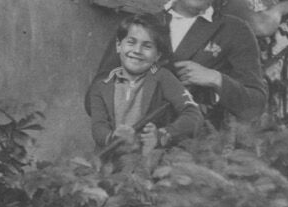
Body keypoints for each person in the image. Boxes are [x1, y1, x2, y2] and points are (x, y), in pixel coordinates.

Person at [88, 0, 266, 126]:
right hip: (136, 146)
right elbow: (94, 97)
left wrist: (216, 79)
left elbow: (255, 105)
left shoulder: (234, 31)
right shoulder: (138, 26)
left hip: (199, 149)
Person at [87, 13, 203, 166]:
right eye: (131, 42)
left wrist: (162, 135)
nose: (137, 51)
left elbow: (193, 114)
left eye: (147, 46)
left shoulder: (162, 77)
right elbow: (98, 126)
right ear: (118, 45)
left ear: (157, 55)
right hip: (109, 164)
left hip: (148, 164)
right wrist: (113, 137)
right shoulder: (102, 85)